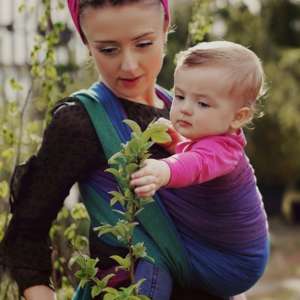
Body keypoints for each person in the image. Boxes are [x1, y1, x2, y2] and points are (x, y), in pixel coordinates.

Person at [0, 1, 237, 300]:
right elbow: (26, 233)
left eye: (144, 44)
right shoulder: (81, 122)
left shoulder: (185, 108)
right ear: (86, 42)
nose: (129, 65)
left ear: (166, 27)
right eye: (108, 50)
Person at [130, 41, 270, 298]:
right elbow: (195, 155)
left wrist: (164, 170)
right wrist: (175, 143)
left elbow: (196, 164)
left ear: (238, 117)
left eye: (202, 104)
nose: (184, 108)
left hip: (233, 262)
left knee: (155, 247)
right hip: (229, 251)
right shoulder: (214, 141)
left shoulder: (225, 151)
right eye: (180, 96)